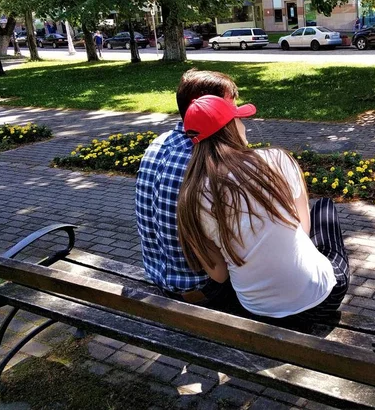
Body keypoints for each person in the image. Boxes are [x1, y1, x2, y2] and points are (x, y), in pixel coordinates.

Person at [176, 95, 350, 322]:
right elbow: (303, 230)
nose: (244, 126)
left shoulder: (191, 197)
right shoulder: (277, 159)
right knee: (325, 208)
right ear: (230, 128)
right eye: (239, 120)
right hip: (322, 300)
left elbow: (219, 275)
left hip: (255, 309)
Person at [136, 70, 240, 307]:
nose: (235, 113)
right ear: (205, 107)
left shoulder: (158, 143)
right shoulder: (208, 160)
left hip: (156, 275)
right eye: (230, 105)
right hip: (202, 288)